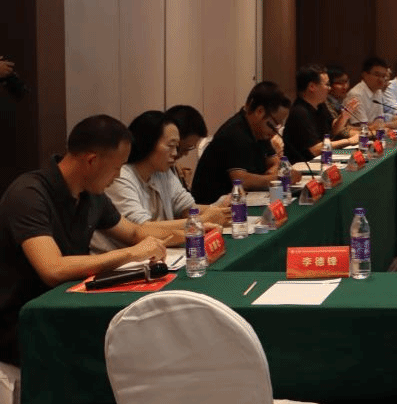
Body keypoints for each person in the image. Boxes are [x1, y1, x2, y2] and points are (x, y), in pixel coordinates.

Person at [0, 115, 168, 364]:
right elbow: (52, 269)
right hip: (23, 322)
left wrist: (190, 233)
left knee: (141, 335)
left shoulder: (91, 195)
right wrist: (131, 254)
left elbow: (134, 233)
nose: (118, 176)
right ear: (92, 161)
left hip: (67, 306)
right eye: (117, 167)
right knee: (124, 351)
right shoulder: (29, 195)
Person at [93, 111, 230, 253]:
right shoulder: (120, 177)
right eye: (170, 146)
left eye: (176, 147)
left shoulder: (162, 171)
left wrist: (221, 209)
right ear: (148, 142)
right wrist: (200, 221)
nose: (175, 153)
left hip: (156, 252)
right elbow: (141, 229)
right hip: (124, 258)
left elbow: (188, 208)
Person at [190, 82, 290, 204]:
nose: (276, 130)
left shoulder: (260, 131)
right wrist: (281, 178)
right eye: (275, 123)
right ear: (259, 111)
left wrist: (272, 172)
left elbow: (275, 162)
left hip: (241, 201)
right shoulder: (234, 133)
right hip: (214, 206)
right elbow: (242, 181)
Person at [283, 64, 360, 163]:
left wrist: (343, 117)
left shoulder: (320, 105)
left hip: (323, 160)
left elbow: (334, 130)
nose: (329, 88)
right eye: (327, 84)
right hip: (304, 165)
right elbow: (315, 149)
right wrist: (348, 141)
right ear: (312, 87)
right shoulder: (299, 112)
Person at [164, 104, 208, 189]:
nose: (186, 153)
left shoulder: (176, 169)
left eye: (190, 148)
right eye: (184, 148)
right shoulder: (156, 172)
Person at [347, 56, 391, 127]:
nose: (381, 79)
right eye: (377, 75)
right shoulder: (356, 94)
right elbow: (362, 126)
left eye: (383, 76)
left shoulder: (378, 91)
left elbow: (380, 118)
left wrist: (379, 124)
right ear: (365, 75)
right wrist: (391, 125)